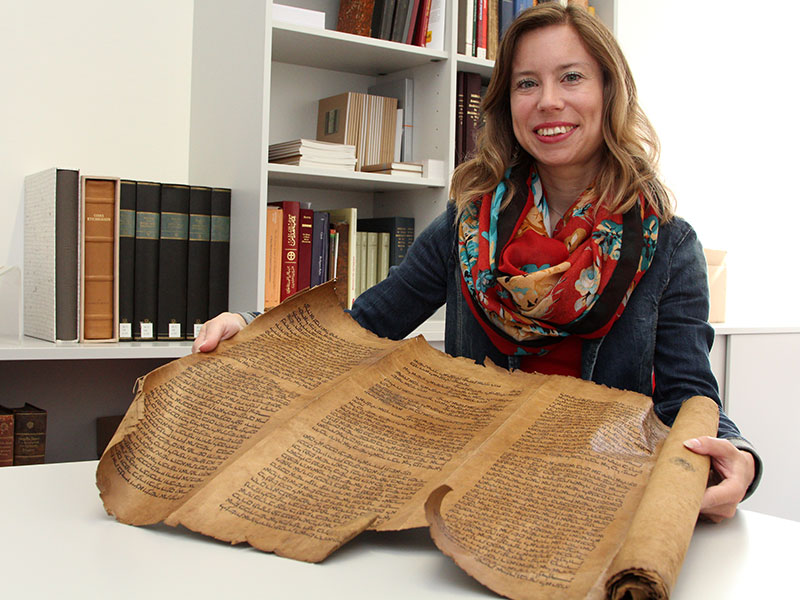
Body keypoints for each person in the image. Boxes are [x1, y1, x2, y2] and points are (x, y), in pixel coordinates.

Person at [193, 4, 759, 522]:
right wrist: (250, 327)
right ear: (506, 103)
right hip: (472, 497)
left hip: (598, 504)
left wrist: (744, 460)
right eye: (526, 83)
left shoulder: (670, 246)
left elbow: (689, 397)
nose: (549, 101)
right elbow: (360, 328)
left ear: (610, 93)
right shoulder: (465, 229)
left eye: (572, 77)